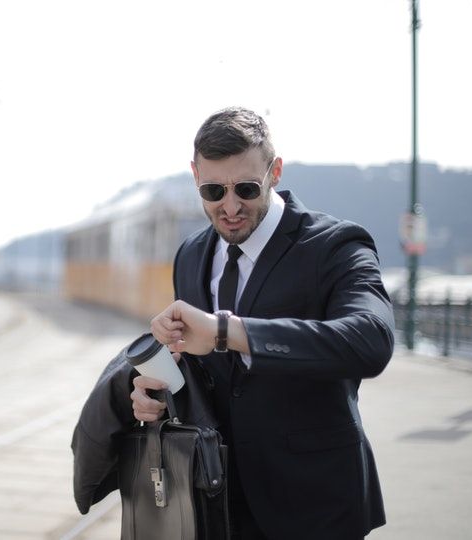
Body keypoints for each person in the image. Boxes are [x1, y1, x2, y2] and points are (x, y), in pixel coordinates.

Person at [131, 106, 395, 539]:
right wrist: (158, 394)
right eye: (213, 190)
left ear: (275, 171)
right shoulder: (190, 255)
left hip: (314, 505)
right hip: (215, 501)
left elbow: (371, 341)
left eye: (247, 188)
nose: (230, 206)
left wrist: (228, 331)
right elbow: (202, 370)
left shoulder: (336, 245)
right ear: (195, 174)